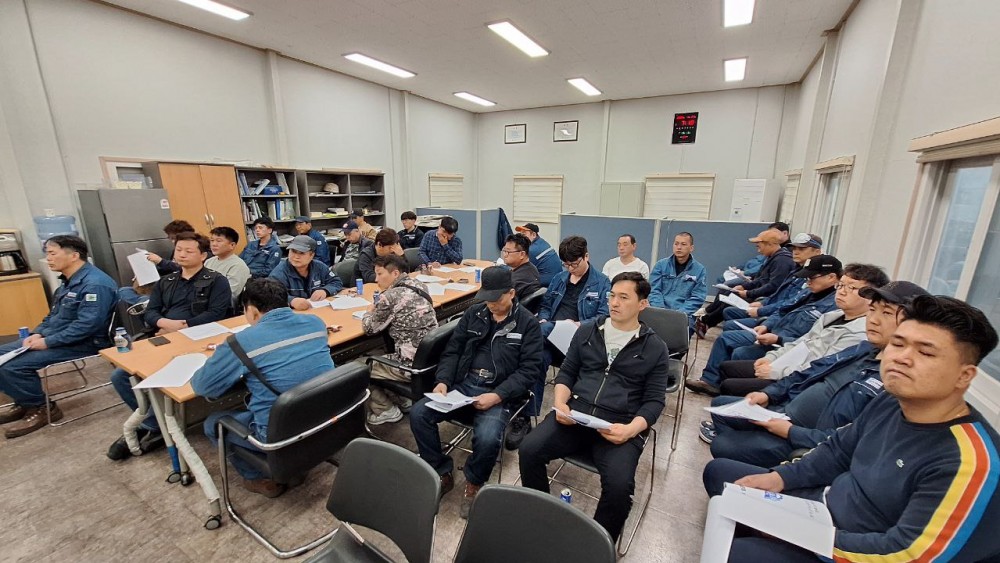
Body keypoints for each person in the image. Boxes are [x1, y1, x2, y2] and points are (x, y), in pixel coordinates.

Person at [703, 295, 1000, 563]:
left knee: (737, 553)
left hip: (857, 544)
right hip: (825, 507)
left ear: (964, 376)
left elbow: (910, 555)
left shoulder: (971, 462)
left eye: (925, 352)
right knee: (722, 477)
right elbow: (838, 451)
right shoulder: (890, 401)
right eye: (898, 344)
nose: (902, 358)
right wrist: (780, 478)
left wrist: (803, 536)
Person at [704, 281, 929, 467]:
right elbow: (813, 369)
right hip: (785, 410)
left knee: (722, 450)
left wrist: (792, 432)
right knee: (722, 408)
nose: (874, 319)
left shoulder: (895, 379)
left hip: (803, 438)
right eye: (872, 310)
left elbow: (853, 440)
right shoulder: (864, 349)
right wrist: (770, 394)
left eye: (886, 313)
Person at [519, 271, 670, 542]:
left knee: (620, 489)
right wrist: (560, 403)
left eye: (624, 297)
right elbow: (567, 372)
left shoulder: (655, 347)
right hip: (577, 414)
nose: (614, 303)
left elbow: (654, 401)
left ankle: (597, 544)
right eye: (612, 295)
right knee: (529, 449)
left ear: (642, 304)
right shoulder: (588, 330)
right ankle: (541, 515)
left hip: (619, 424)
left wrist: (630, 430)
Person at [409, 266, 543, 518]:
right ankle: (440, 470)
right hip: (465, 384)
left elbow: (529, 371)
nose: (490, 304)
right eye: (486, 298)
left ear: (511, 293)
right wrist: (443, 381)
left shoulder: (528, 324)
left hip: (498, 390)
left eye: (496, 299)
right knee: (418, 414)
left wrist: (498, 395)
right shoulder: (475, 313)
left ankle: (474, 482)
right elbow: (453, 351)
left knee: (488, 437)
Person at [192, 278, 334, 498]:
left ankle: (261, 477)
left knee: (213, 423)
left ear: (252, 311)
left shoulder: (240, 342)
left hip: (281, 432)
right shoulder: (316, 323)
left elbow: (203, 387)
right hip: (326, 418)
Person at [108, 233, 232, 459]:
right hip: (164, 334)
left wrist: (182, 326)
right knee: (120, 376)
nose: (182, 255)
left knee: (176, 376)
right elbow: (151, 311)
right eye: (178, 250)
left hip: (198, 337)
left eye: (189, 251)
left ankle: (154, 425)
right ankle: (155, 422)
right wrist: (164, 323)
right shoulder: (166, 281)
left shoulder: (216, 280)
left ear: (203, 256)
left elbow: (217, 313)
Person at [700, 262, 890, 399]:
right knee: (728, 366)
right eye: (841, 286)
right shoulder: (832, 315)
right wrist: (772, 358)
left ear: (871, 296)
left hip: (798, 377)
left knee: (731, 378)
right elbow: (801, 341)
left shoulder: (860, 333)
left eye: (852, 288)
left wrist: (775, 369)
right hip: (785, 356)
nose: (842, 291)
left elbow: (820, 366)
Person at [0, 236, 117, 439]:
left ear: (74, 256)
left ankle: (42, 408)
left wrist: (47, 342)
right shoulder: (67, 282)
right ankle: (24, 401)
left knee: (12, 366)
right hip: (59, 337)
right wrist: (37, 333)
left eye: (52, 253)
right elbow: (53, 317)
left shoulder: (95, 284)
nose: (48, 258)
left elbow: (87, 326)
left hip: (86, 342)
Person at [687, 255, 845, 396]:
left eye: (812, 278)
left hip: (784, 345)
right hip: (771, 333)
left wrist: (778, 339)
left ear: (831, 277)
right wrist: (766, 325)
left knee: (741, 353)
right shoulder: (809, 292)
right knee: (726, 338)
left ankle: (731, 391)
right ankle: (710, 381)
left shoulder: (834, 308)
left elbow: (812, 341)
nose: (808, 282)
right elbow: (782, 310)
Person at [361, 254, 438, 425]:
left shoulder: (390, 297)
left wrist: (368, 311)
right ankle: (403, 399)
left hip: (411, 365)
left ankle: (385, 409)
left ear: (395, 273)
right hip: (432, 359)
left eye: (380, 274)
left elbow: (369, 328)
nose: (376, 279)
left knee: (361, 367)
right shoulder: (419, 285)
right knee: (386, 351)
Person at [698, 229, 795, 333]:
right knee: (728, 293)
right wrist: (744, 287)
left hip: (765, 298)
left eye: (759, 246)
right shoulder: (772, 258)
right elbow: (761, 279)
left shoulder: (782, 261)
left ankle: (705, 322)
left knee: (731, 300)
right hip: (760, 293)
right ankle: (705, 319)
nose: (758, 251)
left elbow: (773, 286)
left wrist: (748, 293)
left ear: (770, 244)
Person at [720, 233, 823, 329]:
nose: (796, 252)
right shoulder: (797, 269)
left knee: (730, 326)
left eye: (802, 249)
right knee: (729, 310)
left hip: (779, 317)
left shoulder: (814, 276)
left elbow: (789, 302)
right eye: (794, 248)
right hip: (772, 309)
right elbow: (779, 292)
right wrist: (763, 303)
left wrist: (761, 310)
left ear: (817, 252)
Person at [117, 220, 196, 305]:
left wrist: (160, 261)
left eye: (174, 238)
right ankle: (145, 302)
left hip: (180, 286)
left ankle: (146, 302)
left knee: (149, 296)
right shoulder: (176, 251)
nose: (173, 241)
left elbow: (182, 267)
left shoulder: (194, 250)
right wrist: (147, 270)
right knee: (123, 291)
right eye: (171, 238)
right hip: (167, 283)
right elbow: (170, 269)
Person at [648, 232, 707, 332]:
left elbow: (698, 297)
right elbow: (654, 290)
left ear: (691, 248)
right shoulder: (661, 265)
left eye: (683, 244)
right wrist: (661, 311)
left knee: (683, 330)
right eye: (676, 244)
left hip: (684, 314)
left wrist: (679, 314)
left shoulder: (699, 270)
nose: (679, 247)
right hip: (659, 310)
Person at [268, 235, 343, 310]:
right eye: (293, 251)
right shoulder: (279, 272)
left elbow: (336, 281)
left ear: (312, 255)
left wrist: (325, 291)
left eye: (301, 253)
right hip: (293, 313)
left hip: (318, 309)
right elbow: (271, 295)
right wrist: (291, 301)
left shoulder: (320, 267)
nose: (296, 257)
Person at [205, 226, 251, 301]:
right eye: (212, 240)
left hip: (222, 303)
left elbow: (230, 293)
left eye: (219, 241)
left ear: (232, 245)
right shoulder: (208, 262)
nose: (213, 244)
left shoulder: (238, 266)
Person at [516, 223, 561, 287]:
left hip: (547, 282)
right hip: (556, 279)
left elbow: (519, 269)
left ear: (534, 235)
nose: (521, 238)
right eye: (520, 235)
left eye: (524, 234)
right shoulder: (541, 242)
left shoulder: (532, 250)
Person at [501, 233, 541, 301]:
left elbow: (501, 301)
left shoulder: (517, 280)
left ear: (522, 254)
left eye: (508, 252)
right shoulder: (532, 268)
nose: (505, 255)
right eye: (504, 251)